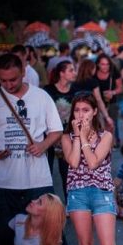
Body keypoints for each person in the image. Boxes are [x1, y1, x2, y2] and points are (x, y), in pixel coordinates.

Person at [61, 92, 123, 245]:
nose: (80, 114)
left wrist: (83, 137)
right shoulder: (66, 138)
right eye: (77, 110)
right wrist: (77, 136)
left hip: (102, 191)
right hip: (77, 192)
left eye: (85, 110)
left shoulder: (106, 136)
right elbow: (74, 162)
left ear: (94, 112)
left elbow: (92, 163)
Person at [0, 53, 63, 245]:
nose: (8, 85)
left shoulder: (41, 96)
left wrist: (43, 145)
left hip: (37, 179)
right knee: (3, 237)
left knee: (49, 231)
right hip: (4, 181)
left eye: (13, 79)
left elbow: (56, 130)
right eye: (3, 80)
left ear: (23, 73)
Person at [44, 61, 77, 198]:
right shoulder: (48, 91)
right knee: (46, 174)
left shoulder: (75, 91)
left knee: (67, 174)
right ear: (61, 73)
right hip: (49, 138)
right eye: (71, 70)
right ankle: (48, 204)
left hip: (68, 138)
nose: (74, 73)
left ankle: (70, 204)